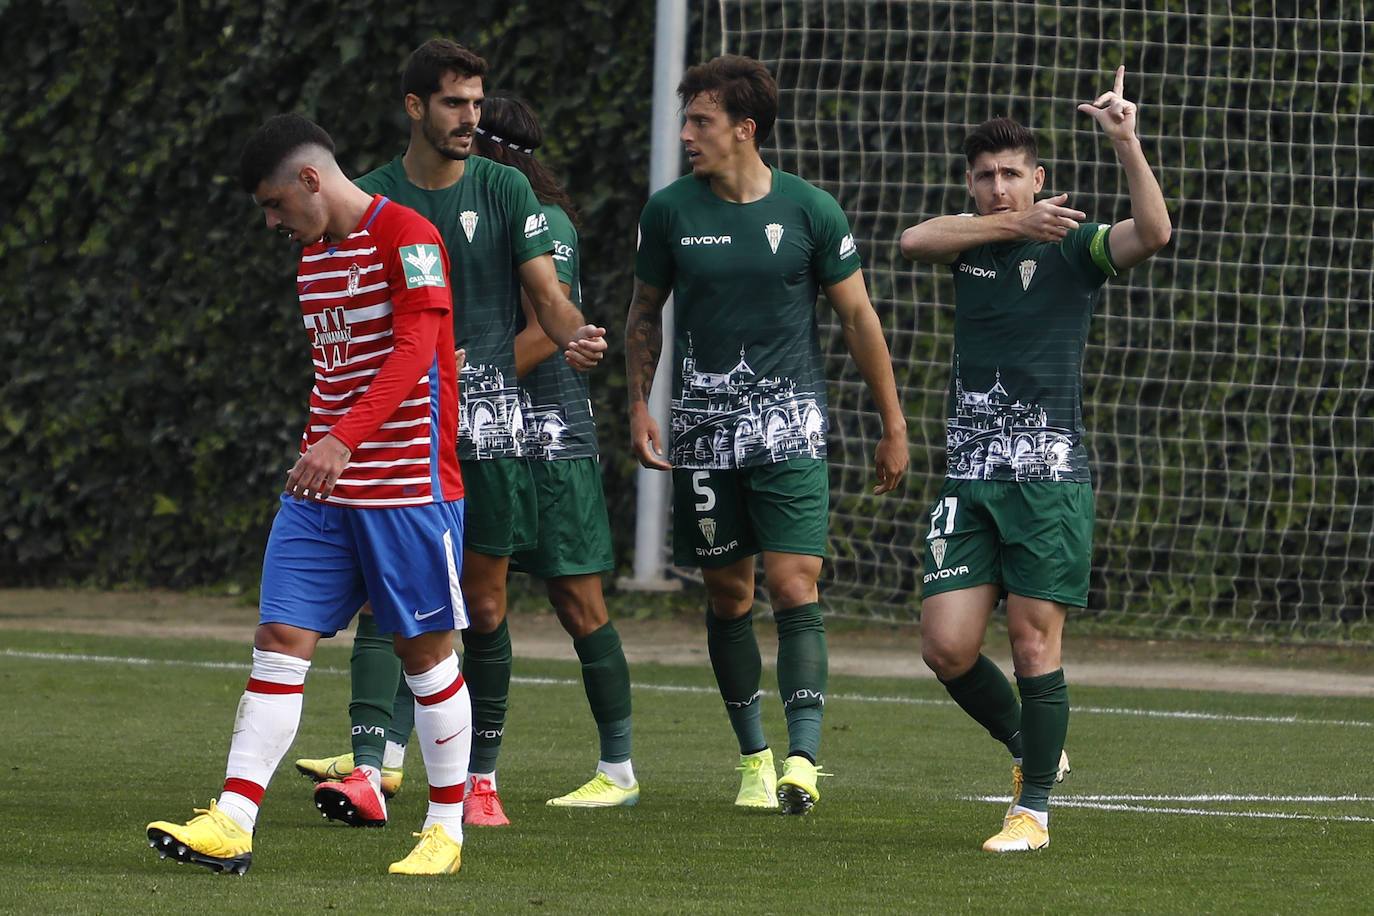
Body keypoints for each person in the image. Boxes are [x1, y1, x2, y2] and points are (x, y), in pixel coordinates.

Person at [146, 113, 473, 876]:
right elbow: (340, 373)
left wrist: (343, 439)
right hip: (322, 487)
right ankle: (232, 820)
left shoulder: (410, 237)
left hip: (404, 487)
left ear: (310, 179)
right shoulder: (312, 259)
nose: (270, 222)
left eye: (273, 204)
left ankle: (446, 830)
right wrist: (324, 446)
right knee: (280, 641)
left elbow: (417, 351)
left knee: (424, 655)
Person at [293, 39, 607, 827]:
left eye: (477, 102)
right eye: (453, 103)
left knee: (487, 608)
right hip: (397, 431)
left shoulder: (505, 188)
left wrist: (574, 331)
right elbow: (344, 307)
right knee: (381, 601)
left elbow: (549, 295)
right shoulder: (369, 199)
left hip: (492, 425)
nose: (471, 117)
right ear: (414, 108)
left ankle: (479, 779)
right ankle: (369, 771)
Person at [625, 55, 909, 815]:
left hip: (789, 432)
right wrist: (638, 406)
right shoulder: (670, 211)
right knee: (728, 597)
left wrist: (894, 423)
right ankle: (753, 756)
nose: (686, 135)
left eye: (701, 122)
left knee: (793, 584)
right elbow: (645, 312)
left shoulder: (812, 210)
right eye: (687, 121)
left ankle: (803, 758)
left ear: (744, 130)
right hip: (703, 438)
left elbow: (858, 317)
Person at [898, 66, 1171, 851]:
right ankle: (1028, 746)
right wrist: (1006, 226)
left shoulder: (1073, 248)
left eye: (1012, 174)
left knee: (1030, 643)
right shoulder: (976, 240)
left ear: (1039, 178)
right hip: (970, 478)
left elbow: (1152, 234)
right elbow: (915, 239)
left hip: (1047, 479)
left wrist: (1126, 142)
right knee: (945, 648)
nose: (997, 186)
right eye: (984, 177)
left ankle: (1034, 812)